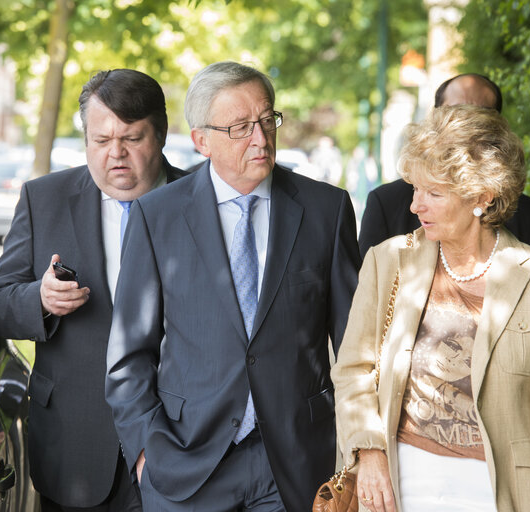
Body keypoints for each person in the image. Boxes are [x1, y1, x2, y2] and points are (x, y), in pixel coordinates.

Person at [105, 61, 361, 511]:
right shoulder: (156, 216)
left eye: (266, 120)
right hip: (187, 463)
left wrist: (356, 446)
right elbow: (129, 355)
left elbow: (356, 347)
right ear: (201, 140)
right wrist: (148, 451)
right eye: (240, 127)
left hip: (296, 463)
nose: (260, 139)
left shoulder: (327, 210)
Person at [332, 105, 530, 512]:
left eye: (433, 193)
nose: (415, 206)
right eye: (414, 189)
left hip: (506, 491)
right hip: (400, 487)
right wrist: (368, 453)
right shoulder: (388, 262)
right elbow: (354, 370)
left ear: (482, 196)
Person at [0, 69, 186, 511]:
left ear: (162, 135)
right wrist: (40, 299)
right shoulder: (44, 198)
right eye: (101, 140)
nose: (116, 154)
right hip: (74, 449)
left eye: (132, 138)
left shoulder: (201, 201)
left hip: (182, 443)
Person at [358, 73, 530, 258]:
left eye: (480, 114)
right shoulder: (387, 204)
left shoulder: (528, 215)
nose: (466, 123)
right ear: (435, 118)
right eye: (455, 112)